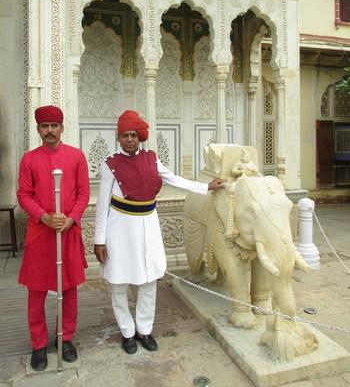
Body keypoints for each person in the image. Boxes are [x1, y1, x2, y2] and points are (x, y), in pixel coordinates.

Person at [94, 110, 224, 354]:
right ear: (119, 138)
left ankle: (144, 330)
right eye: (124, 135)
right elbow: (102, 205)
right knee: (119, 282)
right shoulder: (109, 163)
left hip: (148, 227)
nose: (129, 139)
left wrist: (205, 186)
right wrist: (99, 240)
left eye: (133, 135)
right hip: (119, 229)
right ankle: (127, 333)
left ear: (140, 137)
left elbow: (174, 179)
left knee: (148, 280)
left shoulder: (152, 159)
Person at [17, 105, 90, 371]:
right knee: (36, 291)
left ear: (61, 127)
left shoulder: (76, 157)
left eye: (54, 126)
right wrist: (44, 217)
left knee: (68, 289)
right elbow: (24, 194)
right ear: (38, 129)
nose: (50, 131)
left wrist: (70, 219)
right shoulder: (29, 159)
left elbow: (83, 193)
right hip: (41, 233)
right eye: (45, 127)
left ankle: (65, 338)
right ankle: (38, 344)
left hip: (68, 232)